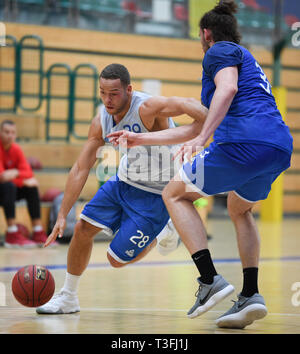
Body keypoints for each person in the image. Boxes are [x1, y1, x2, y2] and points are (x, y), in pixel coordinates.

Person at [107, 1, 293, 329]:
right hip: (277, 148)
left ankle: (209, 281)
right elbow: (197, 124)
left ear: (205, 34)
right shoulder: (245, 62)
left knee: (174, 194)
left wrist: (204, 138)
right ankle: (250, 293)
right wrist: (141, 139)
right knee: (240, 209)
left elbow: (226, 91)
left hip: (242, 143)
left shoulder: (219, 51)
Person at [36, 63, 208, 314]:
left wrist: (215, 119)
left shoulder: (146, 108)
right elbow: (81, 168)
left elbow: (187, 103)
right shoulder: (102, 120)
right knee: (83, 228)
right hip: (123, 182)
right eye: (102, 92)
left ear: (128, 89)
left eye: (114, 93)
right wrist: (63, 214)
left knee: (115, 261)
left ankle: (163, 230)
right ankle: (68, 297)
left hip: (157, 193)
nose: (107, 99)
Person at [0, 120, 50, 248]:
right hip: (4, 189)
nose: (10, 135)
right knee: (9, 186)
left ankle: (38, 231)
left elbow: (28, 173)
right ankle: (11, 233)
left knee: (31, 188)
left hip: (8, 191)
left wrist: (15, 173)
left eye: (13, 132)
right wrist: (20, 177)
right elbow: (2, 177)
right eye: (6, 132)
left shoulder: (16, 149)